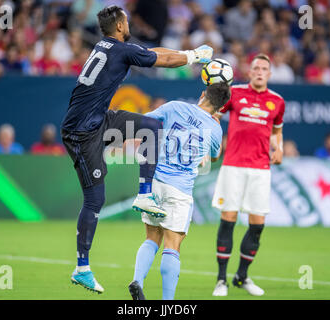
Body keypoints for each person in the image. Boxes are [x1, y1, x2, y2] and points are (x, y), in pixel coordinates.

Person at [60, 5, 213, 294]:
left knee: (151, 127)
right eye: (126, 20)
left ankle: (145, 195)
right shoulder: (120, 49)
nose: (129, 23)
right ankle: (82, 268)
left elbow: (153, 52)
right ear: (119, 25)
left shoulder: (110, 46)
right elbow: (163, 60)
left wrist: (189, 54)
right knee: (95, 199)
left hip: (98, 120)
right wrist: (194, 56)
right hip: (81, 132)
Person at [128, 82, 230, 300]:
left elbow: (147, 122)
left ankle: (138, 279)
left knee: (151, 238)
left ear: (203, 94)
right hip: (180, 189)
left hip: (154, 181)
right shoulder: (214, 128)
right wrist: (214, 122)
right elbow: (214, 157)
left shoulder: (175, 106)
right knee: (172, 246)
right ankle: (167, 304)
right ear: (222, 108)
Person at [211, 54, 286, 297]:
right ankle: (221, 280)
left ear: (269, 74)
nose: (260, 71)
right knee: (228, 218)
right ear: (250, 71)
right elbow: (214, 116)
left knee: (257, 225)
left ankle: (241, 276)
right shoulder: (235, 93)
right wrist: (213, 143)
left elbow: (276, 131)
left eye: (264, 68)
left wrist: (279, 148)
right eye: (256, 68)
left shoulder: (277, 101)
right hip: (233, 165)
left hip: (260, 169)